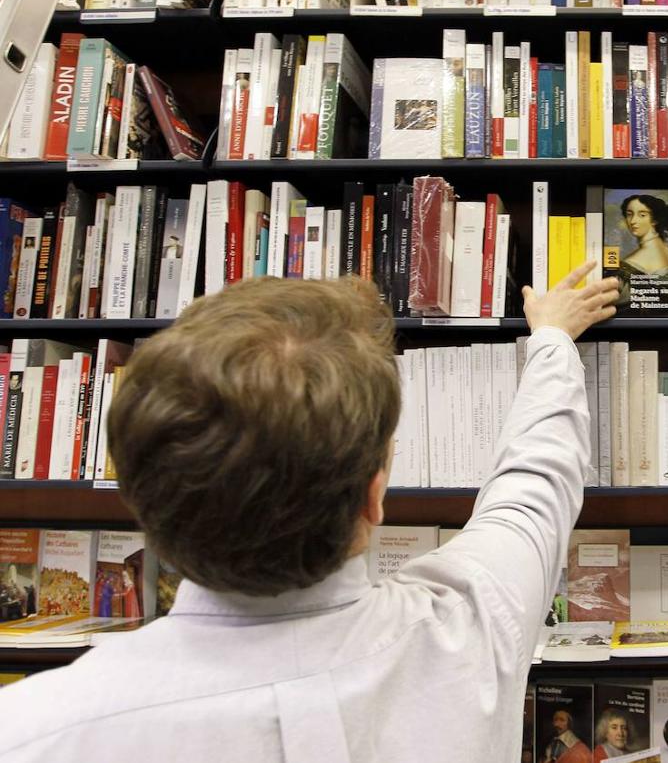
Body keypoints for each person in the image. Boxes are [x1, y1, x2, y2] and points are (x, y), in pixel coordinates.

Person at [0, 265, 619, 761]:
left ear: (141, 501)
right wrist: (552, 340)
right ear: (375, 494)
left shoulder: (36, 731)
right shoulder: (475, 621)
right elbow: (537, 477)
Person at [613, 194, 668, 311]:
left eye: (642, 215)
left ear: (654, 219)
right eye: (629, 214)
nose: (633, 221)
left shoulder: (627, 266)